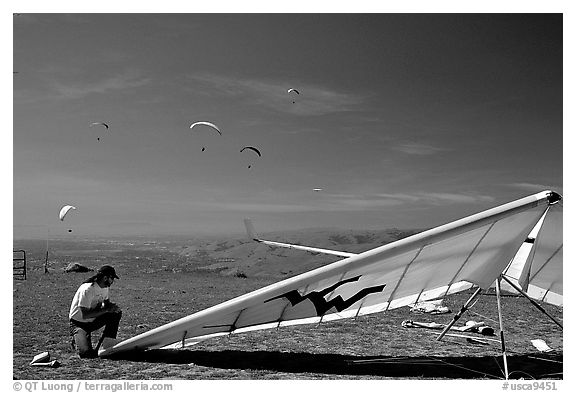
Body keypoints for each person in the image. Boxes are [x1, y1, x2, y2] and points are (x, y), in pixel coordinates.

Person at [69, 265, 122, 358]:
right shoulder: (88, 289)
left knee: (115, 313)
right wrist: (106, 309)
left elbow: (106, 304)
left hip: (93, 320)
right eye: (112, 278)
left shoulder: (105, 288)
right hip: (79, 323)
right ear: (105, 278)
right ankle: (77, 337)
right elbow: (85, 315)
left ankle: (107, 343)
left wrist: (111, 307)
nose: (112, 281)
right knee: (86, 354)